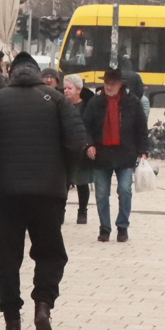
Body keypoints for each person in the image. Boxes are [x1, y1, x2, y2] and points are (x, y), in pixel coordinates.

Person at [0, 51, 86, 330]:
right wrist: (65, 178)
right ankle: (43, 306)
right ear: (36, 73)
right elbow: (76, 143)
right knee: (50, 252)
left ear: (11, 73)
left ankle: (12, 322)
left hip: (5, 193)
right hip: (48, 193)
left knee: (6, 256)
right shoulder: (57, 100)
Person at [84, 68, 149, 243]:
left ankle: (122, 226)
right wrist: (89, 144)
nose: (108, 87)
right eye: (106, 83)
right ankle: (104, 227)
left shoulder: (132, 102)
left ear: (120, 85)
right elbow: (86, 127)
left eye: (112, 84)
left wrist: (143, 151)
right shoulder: (95, 102)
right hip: (102, 154)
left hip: (125, 153)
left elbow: (141, 128)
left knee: (125, 190)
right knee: (101, 193)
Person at [63, 75, 94, 225]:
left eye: (69, 88)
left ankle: (83, 211)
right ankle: (60, 211)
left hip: (82, 148)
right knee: (63, 183)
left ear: (78, 90)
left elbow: (91, 127)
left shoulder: (88, 106)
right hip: (64, 148)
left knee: (82, 182)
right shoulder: (61, 105)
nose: (66, 91)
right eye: (65, 88)